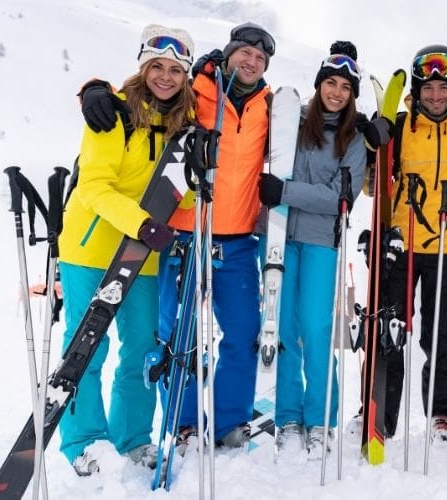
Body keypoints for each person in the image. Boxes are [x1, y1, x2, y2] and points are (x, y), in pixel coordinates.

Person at [81, 21, 276, 453]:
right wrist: (94, 88)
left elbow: (320, 130)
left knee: (242, 334)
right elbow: (145, 95)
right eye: (244, 52)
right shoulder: (194, 93)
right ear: (228, 53)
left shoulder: (271, 107)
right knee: (175, 337)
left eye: (260, 58)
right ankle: (183, 423)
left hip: (238, 240)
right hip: (185, 233)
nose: (251, 61)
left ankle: (229, 421)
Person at [58, 24, 195, 475]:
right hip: (91, 246)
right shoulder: (110, 113)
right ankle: (84, 441)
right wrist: (143, 224)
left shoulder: (183, 128)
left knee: (140, 348)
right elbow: (95, 186)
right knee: (87, 348)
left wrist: (197, 182)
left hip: (143, 253)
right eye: (158, 66)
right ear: (143, 67)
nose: (166, 76)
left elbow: (180, 195)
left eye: (176, 69)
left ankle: (132, 436)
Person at [261, 42, 367, 459]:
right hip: (278, 237)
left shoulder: (354, 138)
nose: (336, 92)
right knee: (282, 329)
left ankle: (320, 418)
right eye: (330, 83)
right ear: (319, 84)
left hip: (323, 242)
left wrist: (285, 191)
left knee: (316, 331)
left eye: (345, 86)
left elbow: (341, 197)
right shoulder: (289, 122)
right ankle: (288, 416)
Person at [382, 44, 447, 443]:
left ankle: (442, 413)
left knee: (442, 335)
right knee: (388, 332)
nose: (435, 96)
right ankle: (379, 416)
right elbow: (375, 180)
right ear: (416, 91)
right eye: (427, 88)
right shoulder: (401, 127)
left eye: (443, 88)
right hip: (402, 245)